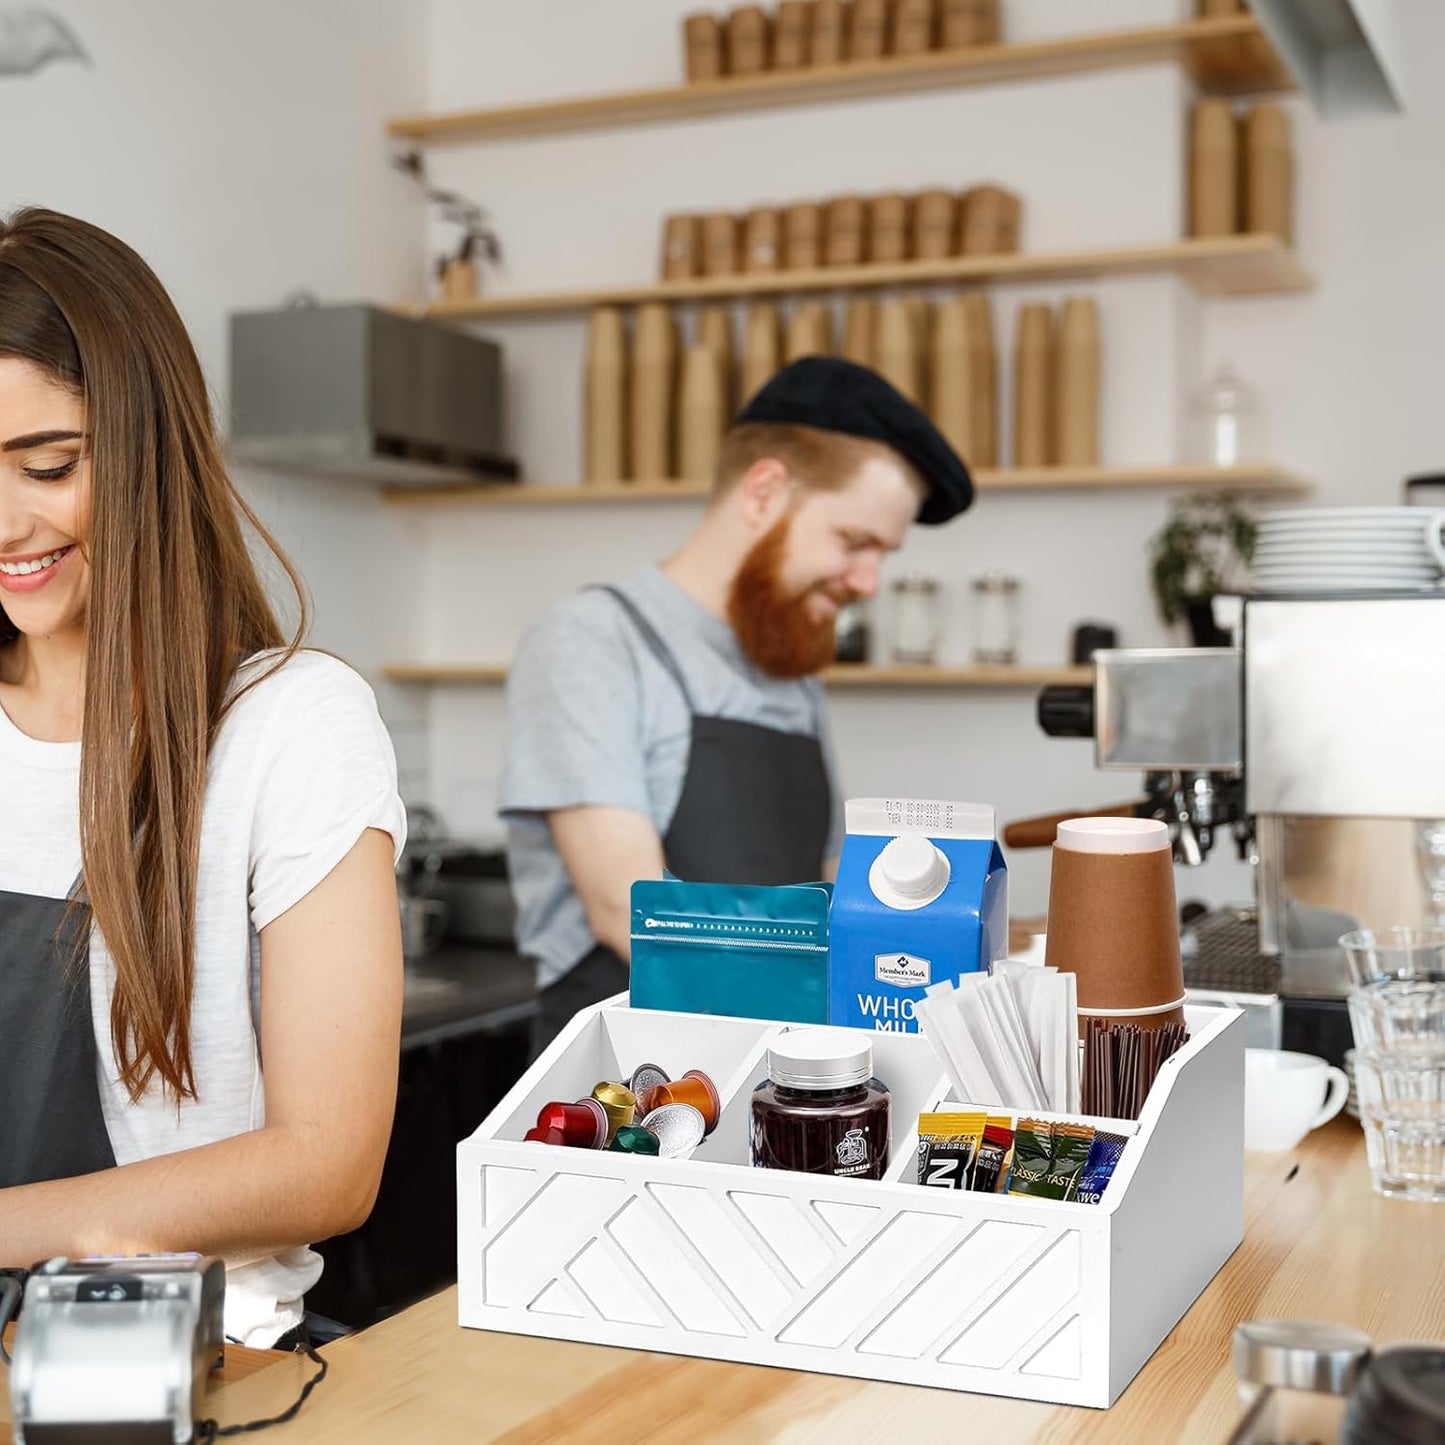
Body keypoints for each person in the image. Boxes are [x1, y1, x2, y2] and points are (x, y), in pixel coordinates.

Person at [0, 208, 406, 1347]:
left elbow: (326, 1162)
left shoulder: (288, 722)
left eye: (49, 464)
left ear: (146, 444)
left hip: (183, 1355)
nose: (5, 521)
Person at [502, 356, 974, 1051]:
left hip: (779, 1064)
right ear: (763, 492)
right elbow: (623, 909)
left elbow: (820, 887)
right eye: (854, 541)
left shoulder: (786, 664)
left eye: (884, 553)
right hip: (628, 1085)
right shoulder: (591, 640)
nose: (870, 581)